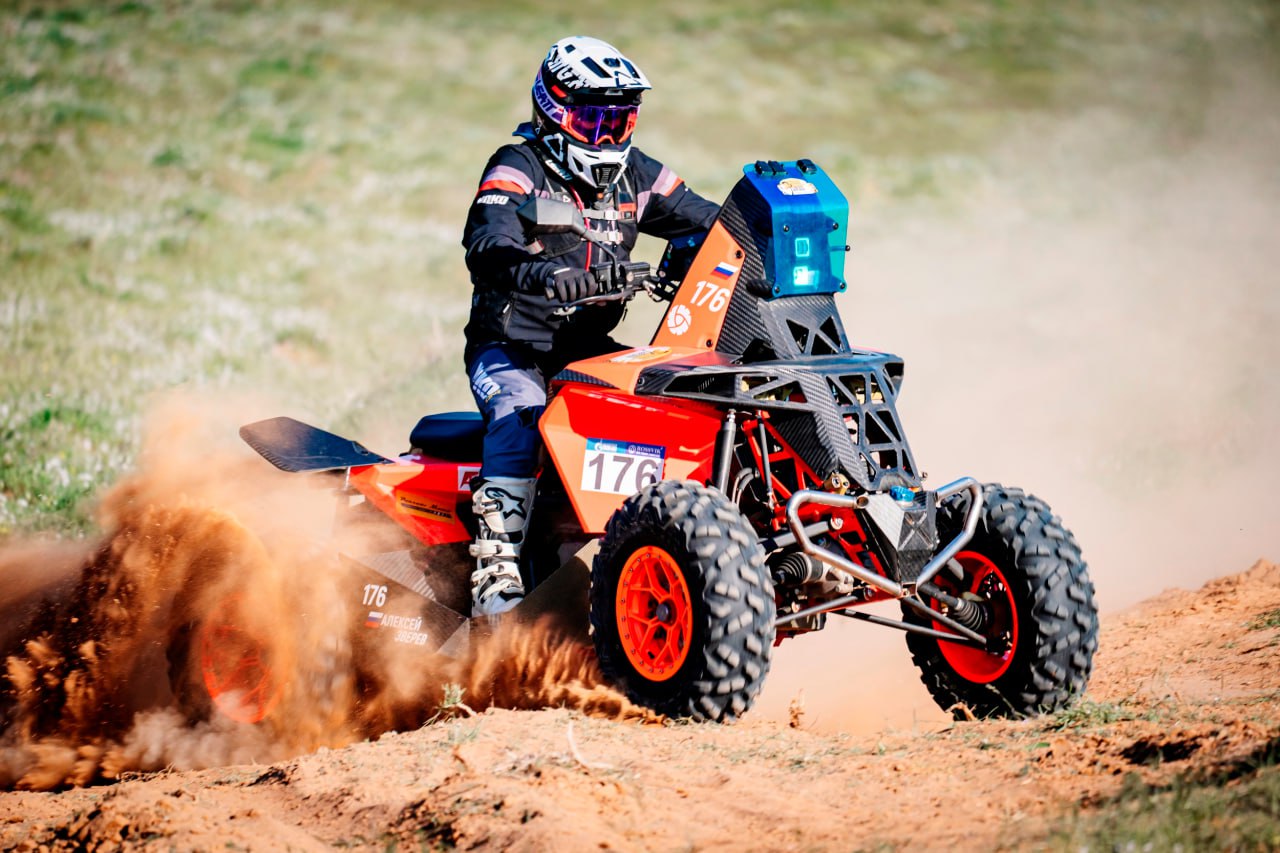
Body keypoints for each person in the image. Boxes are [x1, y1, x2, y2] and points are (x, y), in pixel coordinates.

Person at [460, 36, 721, 615]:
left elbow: (714, 223)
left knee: (675, 402)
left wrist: (761, 235)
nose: (606, 137)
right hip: (512, 348)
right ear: (553, 111)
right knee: (521, 417)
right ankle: (494, 578)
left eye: (619, 121)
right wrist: (547, 275)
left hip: (588, 349)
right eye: (592, 120)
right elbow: (487, 244)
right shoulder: (518, 165)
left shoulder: (638, 173)